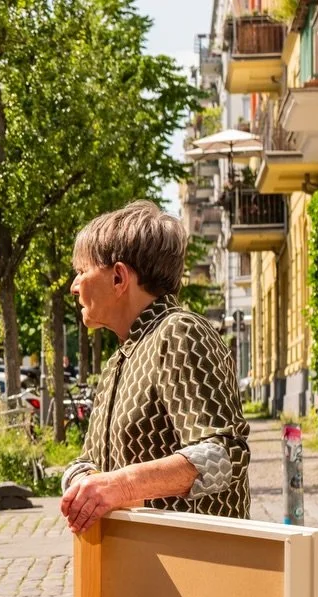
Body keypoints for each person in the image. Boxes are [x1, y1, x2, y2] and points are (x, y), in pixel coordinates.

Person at [59, 200, 250, 533]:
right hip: (142, 564)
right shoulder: (121, 358)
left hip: (195, 566)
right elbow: (87, 462)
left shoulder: (179, 332)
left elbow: (224, 456)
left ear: (119, 277)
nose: (74, 286)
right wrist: (83, 481)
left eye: (81, 271)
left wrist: (124, 485)